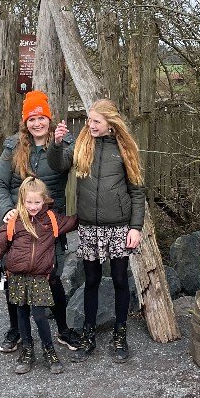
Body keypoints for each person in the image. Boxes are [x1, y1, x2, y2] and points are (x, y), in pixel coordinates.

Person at [47, 98, 145, 363]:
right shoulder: (81, 145)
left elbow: (137, 192)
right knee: (90, 280)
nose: (90, 125)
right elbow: (57, 165)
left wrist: (135, 228)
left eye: (96, 121)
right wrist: (56, 145)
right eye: (89, 120)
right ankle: (89, 332)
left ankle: (120, 334)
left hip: (118, 227)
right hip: (89, 226)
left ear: (110, 124)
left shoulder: (125, 150)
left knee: (120, 280)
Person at [0, 90, 80, 354]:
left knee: (52, 277)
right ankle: (16, 330)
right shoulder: (13, 147)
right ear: (25, 122)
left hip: (48, 225)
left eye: (42, 117)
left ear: (49, 119)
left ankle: (62, 330)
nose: (37, 123)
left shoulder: (63, 144)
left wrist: (60, 143)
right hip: (17, 224)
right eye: (32, 119)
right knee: (12, 278)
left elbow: (72, 164)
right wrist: (7, 210)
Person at [0, 177, 78, 374]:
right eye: (28, 202)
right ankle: (27, 349)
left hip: (40, 277)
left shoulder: (52, 219)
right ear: (22, 200)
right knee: (22, 313)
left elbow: (74, 222)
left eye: (37, 202)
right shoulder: (13, 221)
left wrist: (98, 214)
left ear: (45, 200)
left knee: (39, 315)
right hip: (17, 277)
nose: (33, 206)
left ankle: (49, 350)